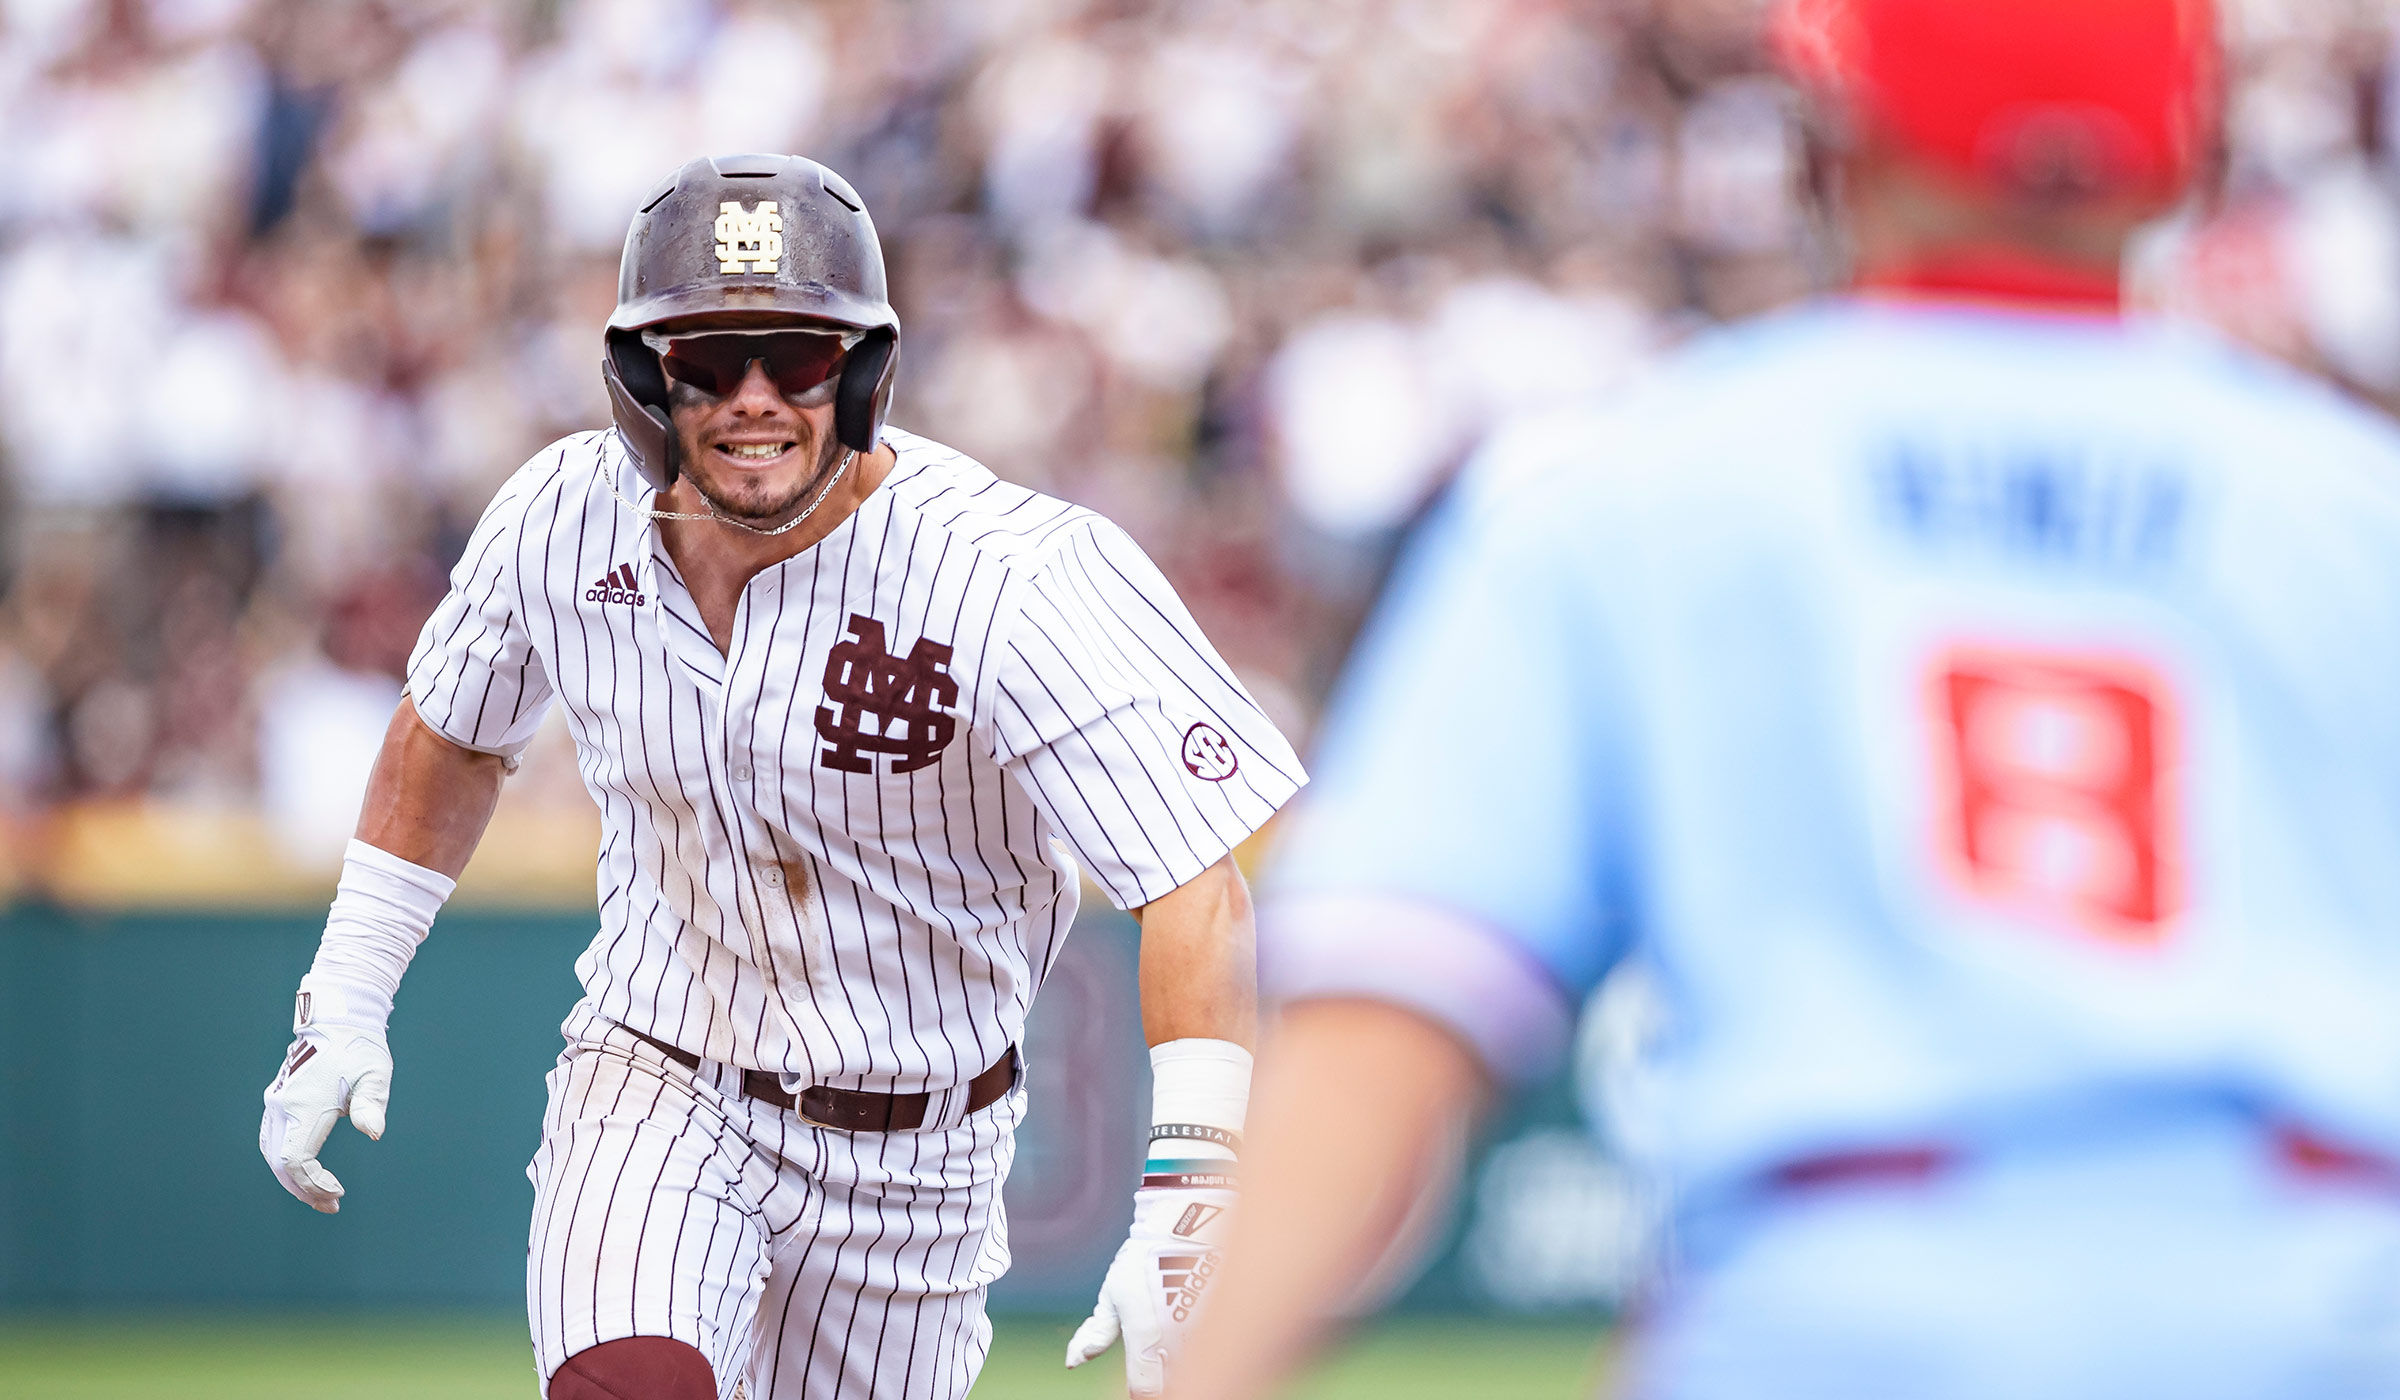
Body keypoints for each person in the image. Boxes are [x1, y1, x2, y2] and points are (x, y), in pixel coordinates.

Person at [1171, 2, 2400, 1398]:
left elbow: (1387, 1024)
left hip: (1849, 1308)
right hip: (2329, 1309)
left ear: (1837, 139)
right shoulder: (2361, 510)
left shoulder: (1636, 483)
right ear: (2190, 159)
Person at [256, 153, 1302, 1400]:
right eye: (710, 356)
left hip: (921, 1155)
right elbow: (452, 735)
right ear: (645, 376)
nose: (755, 396)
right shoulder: (558, 515)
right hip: (659, 1074)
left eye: (798, 355)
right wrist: (346, 991)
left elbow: (1195, 882)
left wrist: (1192, 1190)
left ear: (861, 372)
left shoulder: (1015, 574)